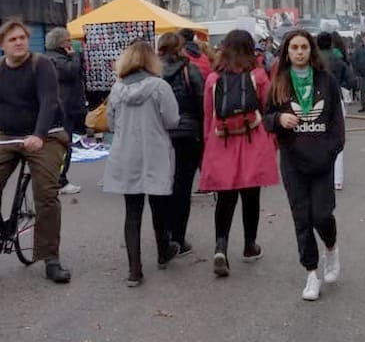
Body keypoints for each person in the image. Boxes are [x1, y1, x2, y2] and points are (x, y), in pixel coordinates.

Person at [0, 19, 72, 284]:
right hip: (6, 134)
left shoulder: (41, 65)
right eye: (13, 39)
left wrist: (39, 135)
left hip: (45, 135)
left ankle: (50, 257)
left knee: (45, 193)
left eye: (22, 38)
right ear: (2, 46)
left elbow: (48, 102)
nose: (19, 42)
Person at [263, 29, 345, 301]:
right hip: (293, 160)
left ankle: (331, 248)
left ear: (311, 51)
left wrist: (332, 149)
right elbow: (266, 117)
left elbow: (336, 121)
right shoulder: (279, 82)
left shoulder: (327, 80)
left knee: (321, 215)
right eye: (294, 47)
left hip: (322, 159)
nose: (299, 52)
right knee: (302, 218)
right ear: (287, 52)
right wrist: (278, 121)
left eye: (304, 47)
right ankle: (311, 273)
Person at [198, 29, 279, 278]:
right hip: (252, 139)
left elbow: (208, 115)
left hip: (222, 142)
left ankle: (220, 246)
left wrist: (208, 144)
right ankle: (249, 245)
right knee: (250, 196)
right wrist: (272, 142)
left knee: (225, 198)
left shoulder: (213, 79)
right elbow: (268, 108)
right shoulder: (258, 75)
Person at [103, 39, 181, 286]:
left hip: (126, 154)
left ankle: (134, 271)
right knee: (159, 207)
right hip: (155, 152)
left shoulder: (116, 89)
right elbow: (172, 120)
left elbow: (111, 124)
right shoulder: (160, 87)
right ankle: (162, 252)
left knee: (132, 212)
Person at [158, 32, 204, 255]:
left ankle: (163, 234)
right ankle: (179, 237)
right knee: (182, 187)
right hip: (187, 134)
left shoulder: (152, 72)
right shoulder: (190, 69)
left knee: (162, 185)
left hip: (160, 135)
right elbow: (202, 103)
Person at [44, 27, 86, 196]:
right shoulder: (57, 59)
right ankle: (60, 181)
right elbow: (71, 72)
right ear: (61, 43)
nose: (71, 43)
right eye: (68, 40)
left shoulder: (51, 57)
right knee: (64, 146)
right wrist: (74, 56)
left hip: (62, 108)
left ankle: (56, 179)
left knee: (60, 145)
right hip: (64, 109)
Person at [316, 32, 349, 190]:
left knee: (316, 137)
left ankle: (320, 176)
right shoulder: (338, 60)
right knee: (338, 138)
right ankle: (338, 179)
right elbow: (351, 80)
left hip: (316, 101)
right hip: (337, 100)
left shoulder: (313, 61)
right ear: (331, 43)